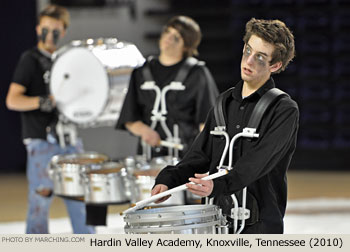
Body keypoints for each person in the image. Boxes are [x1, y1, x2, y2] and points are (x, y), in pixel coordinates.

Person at [152, 18, 299, 234]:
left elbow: (256, 164)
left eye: (260, 57)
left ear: (275, 65)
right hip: (217, 222)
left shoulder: (284, 110)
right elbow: (199, 157)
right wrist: (169, 179)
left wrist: (218, 184)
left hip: (260, 227)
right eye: (247, 51)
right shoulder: (223, 103)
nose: (248, 61)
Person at [6, 5, 94, 234]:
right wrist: (46, 101)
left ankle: (89, 243)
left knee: (81, 199)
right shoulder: (31, 59)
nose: (49, 35)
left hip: (70, 140)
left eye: (55, 30)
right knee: (40, 200)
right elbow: (12, 100)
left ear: (63, 32)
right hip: (41, 140)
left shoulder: (66, 59)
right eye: (45, 29)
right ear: (37, 29)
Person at [116, 15, 218, 158]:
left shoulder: (197, 73)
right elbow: (129, 119)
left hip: (185, 157)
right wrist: (145, 131)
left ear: (187, 46)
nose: (168, 38)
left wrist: (204, 156)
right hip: (148, 157)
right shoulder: (141, 72)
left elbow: (206, 124)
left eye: (176, 37)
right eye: (167, 32)